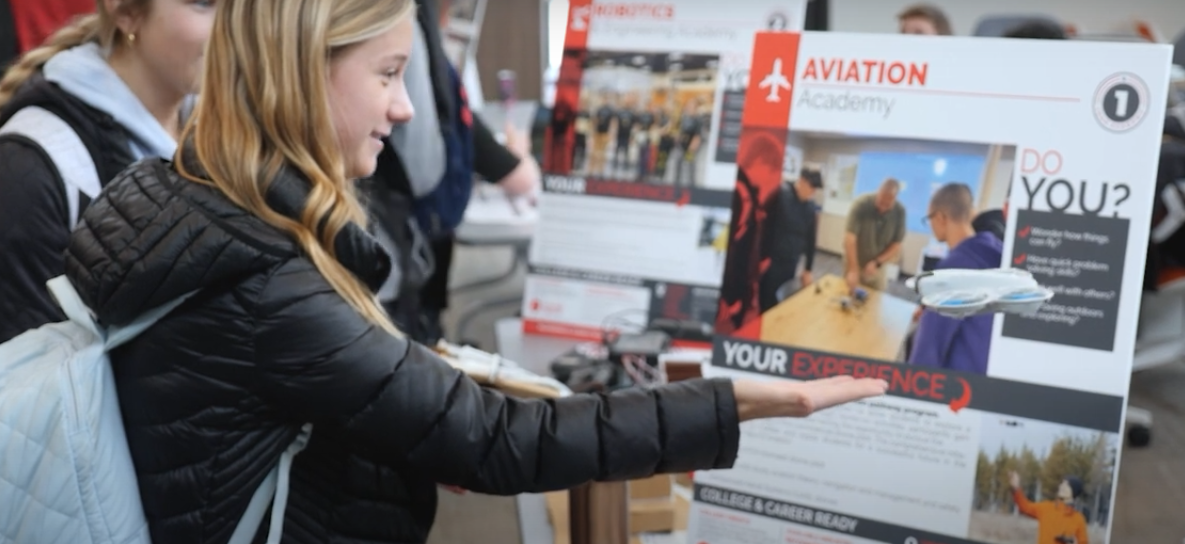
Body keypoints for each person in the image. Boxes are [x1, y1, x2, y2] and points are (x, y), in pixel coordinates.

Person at [61, 1, 890, 542]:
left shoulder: (200, 199)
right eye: (387, 75)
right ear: (301, 74)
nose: (405, 105)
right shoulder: (269, 285)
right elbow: (500, 444)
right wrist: (734, 400)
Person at [0, 0, 213, 343]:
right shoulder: (34, 165)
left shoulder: (218, 137)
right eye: (204, 4)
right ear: (126, 12)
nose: (233, 25)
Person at [908, 183, 1002, 374]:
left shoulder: (952, 271)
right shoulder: (996, 250)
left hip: (957, 382)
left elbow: (927, 353)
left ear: (941, 217)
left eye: (930, 219)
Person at [759, 167, 823, 312]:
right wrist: (760, 258)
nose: (813, 192)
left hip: (791, 261)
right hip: (771, 261)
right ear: (801, 181)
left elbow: (811, 238)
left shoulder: (810, 207)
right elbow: (762, 227)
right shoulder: (781, 194)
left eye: (816, 189)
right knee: (766, 301)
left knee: (782, 299)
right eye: (812, 187)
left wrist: (808, 269)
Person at [843, 178, 906, 291]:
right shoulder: (861, 204)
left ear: (895, 199)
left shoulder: (900, 212)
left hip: (878, 266)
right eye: (880, 202)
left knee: (875, 299)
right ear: (878, 192)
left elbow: (896, 244)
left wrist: (877, 262)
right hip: (854, 260)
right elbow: (850, 238)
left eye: (887, 205)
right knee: (848, 294)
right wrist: (853, 269)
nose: (882, 207)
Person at [1009, 471, 1090, 544]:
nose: (1062, 486)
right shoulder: (1046, 508)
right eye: (1062, 483)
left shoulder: (1078, 519)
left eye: (1066, 485)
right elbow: (1025, 507)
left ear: (1073, 491)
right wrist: (1016, 488)